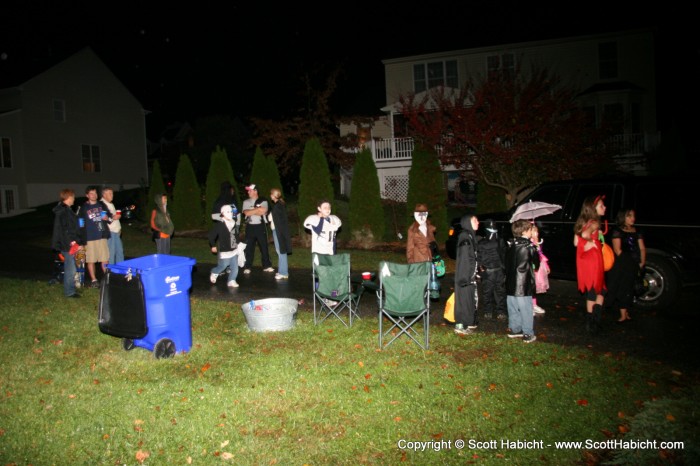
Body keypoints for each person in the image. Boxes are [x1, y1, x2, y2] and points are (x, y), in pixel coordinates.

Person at [573, 195, 607, 332]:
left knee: (599, 289)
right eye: (601, 206)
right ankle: (592, 322)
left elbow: (576, 243)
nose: (604, 208)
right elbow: (585, 235)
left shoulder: (581, 222)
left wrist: (586, 241)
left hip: (585, 260)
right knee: (596, 289)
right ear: (593, 209)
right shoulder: (594, 222)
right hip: (593, 260)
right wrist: (591, 241)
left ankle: (593, 320)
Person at [607, 209, 646, 322]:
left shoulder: (636, 231)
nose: (632, 218)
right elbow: (618, 250)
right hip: (621, 263)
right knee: (621, 287)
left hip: (633, 263)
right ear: (623, 217)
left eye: (633, 216)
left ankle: (625, 312)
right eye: (629, 216)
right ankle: (622, 313)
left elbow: (642, 248)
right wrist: (630, 263)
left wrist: (642, 262)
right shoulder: (617, 231)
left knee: (629, 288)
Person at [505, 219, 540, 343]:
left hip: (510, 282)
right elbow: (537, 263)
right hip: (523, 283)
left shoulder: (510, 245)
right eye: (531, 229)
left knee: (513, 307)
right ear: (526, 231)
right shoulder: (529, 247)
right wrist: (536, 246)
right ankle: (528, 333)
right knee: (526, 308)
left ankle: (515, 329)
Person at [51, 188, 83, 298]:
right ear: (68, 197)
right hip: (66, 244)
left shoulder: (65, 210)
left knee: (70, 267)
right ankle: (69, 292)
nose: (74, 199)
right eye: (73, 197)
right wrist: (73, 243)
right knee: (71, 268)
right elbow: (65, 230)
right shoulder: (64, 211)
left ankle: (70, 290)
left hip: (66, 243)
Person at [78, 186, 111, 288]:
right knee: (91, 260)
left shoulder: (101, 205)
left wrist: (107, 218)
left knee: (105, 259)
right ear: (87, 195)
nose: (94, 195)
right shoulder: (84, 208)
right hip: (90, 238)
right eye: (91, 194)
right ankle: (94, 280)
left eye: (95, 193)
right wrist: (81, 238)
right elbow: (80, 224)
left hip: (101, 236)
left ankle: (107, 279)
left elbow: (108, 216)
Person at [476, 219, 507, 321]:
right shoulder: (481, 243)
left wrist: (504, 270)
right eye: (491, 228)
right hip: (488, 272)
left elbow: (504, 256)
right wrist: (481, 270)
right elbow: (479, 258)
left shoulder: (500, 241)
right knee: (487, 292)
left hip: (498, 271)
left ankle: (500, 311)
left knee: (499, 292)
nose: (493, 231)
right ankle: (488, 311)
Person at [453, 215, 479, 335]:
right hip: (464, 277)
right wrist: (465, 277)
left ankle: (465, 324)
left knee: (468, 301)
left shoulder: (470, 236)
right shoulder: (465, 237)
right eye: (475, 220)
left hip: (469, 276)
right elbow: (464, 258)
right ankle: (460, 325)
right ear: (468, 222)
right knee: (463, 301)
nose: (478, 222)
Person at [241, 184, 274, 274]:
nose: (248, 192)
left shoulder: (263, 201)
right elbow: (246, 213)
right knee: (249, 247)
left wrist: (252, 211)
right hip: (250, 227)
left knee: (263, 246)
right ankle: (247, 266)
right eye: (248, 190)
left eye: (250, 190)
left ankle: (267, 265)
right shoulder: (246, 202)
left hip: (260, 226)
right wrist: (257, 209)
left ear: (255, 191)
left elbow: (263, 211)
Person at [208, 205, 240, 287]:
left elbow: (235, 235)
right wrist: (213, 245)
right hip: (225, 249)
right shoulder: (220, 225)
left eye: (231, 212)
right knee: (223, 265)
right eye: (227, 212)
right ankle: (214, 272)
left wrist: (239, 244)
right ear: (223, 213)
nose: (230, 213)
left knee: (235, 267)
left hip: (233, 249)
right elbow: (212, 235)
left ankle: (232, 280)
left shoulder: (233, 223)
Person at [269, 188, 292, 280]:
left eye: (271, 194)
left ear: (274, 195)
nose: (270, 195)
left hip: (278, 231)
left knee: (281, 251)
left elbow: (274, 219)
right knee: (280, 251)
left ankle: (283, 272)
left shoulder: (277, 206)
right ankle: (282, 271)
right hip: (279, 230)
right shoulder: (280, 205)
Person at [100, 186, 124, 264]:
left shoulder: (110, 204)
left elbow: (113, 218)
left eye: (112, 193)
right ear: (104, 195)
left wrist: (118, 229)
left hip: (115, 231)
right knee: (111, 252)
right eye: (110, 193)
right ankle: (111, 272)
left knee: (119, 251)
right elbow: (104, 218)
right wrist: (114, 217)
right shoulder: (102, 204)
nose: (112, 195)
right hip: (110, 232)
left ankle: (121, 269)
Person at [530, 224, 550, 315]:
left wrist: (546, 265)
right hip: (533, 267)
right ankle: (530, 306)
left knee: (535, 287)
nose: (537, 233)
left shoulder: (538, 242)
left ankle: (534, 305)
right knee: (532, 286)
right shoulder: (530, 243)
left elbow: (541, 254)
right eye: (534, 231)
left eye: (537, 231)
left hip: (539, 267)